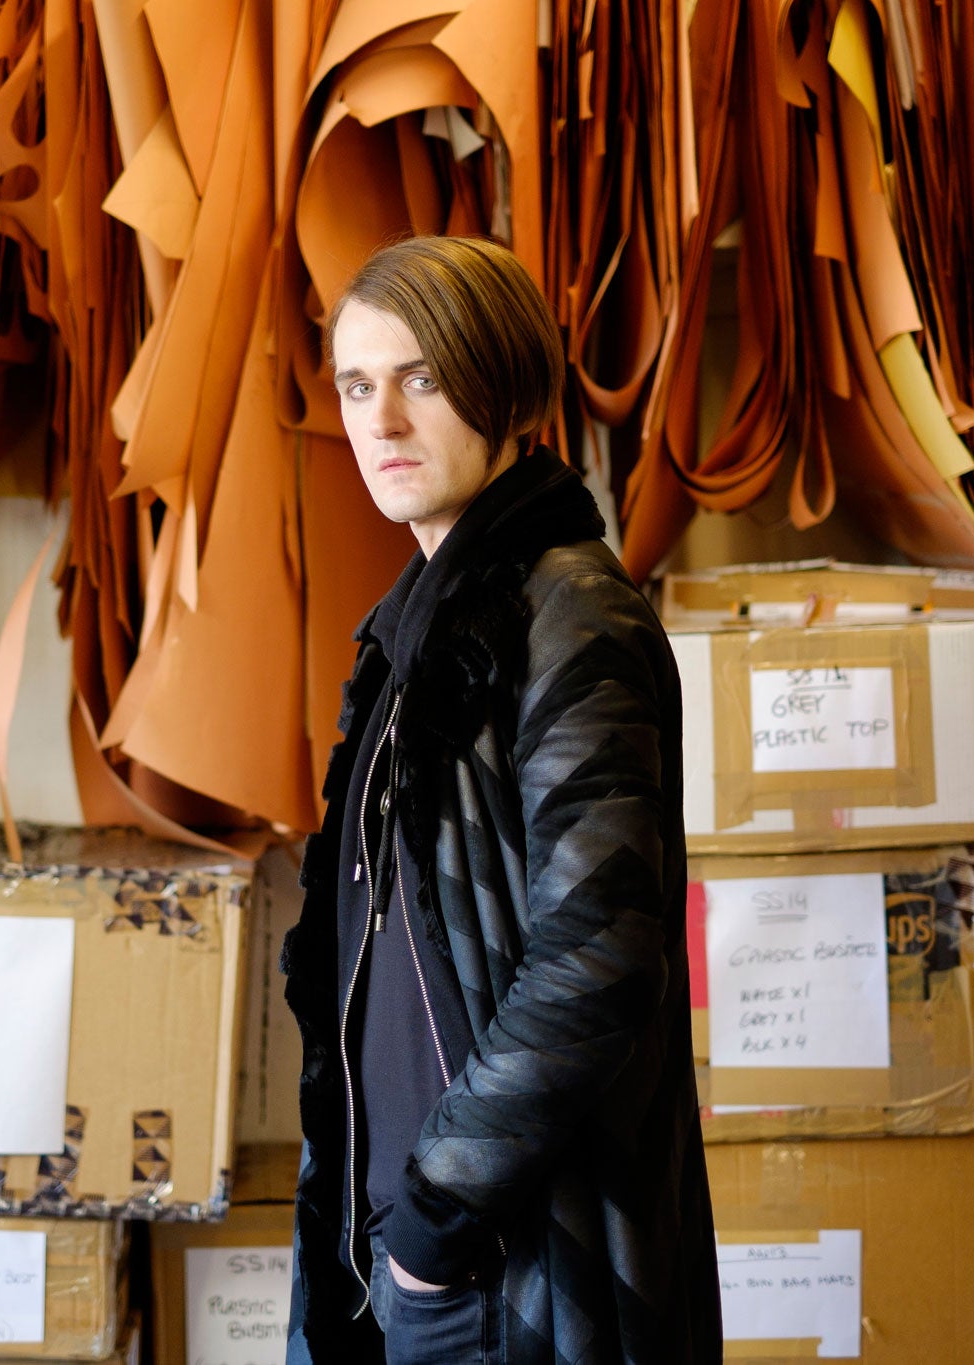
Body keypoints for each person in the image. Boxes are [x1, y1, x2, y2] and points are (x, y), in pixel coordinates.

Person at [280, 235, 721, 1365]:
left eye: (422, 379)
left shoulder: (570, 615)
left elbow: (595, 958)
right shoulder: (412, 632)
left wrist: (436, 1219)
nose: (380, 422)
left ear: (507, 388)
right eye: (356, 386)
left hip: (502, 1265)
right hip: (400, 1246)